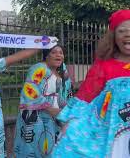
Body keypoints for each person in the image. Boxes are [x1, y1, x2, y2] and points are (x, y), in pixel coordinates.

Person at [51, 9, 130, 157]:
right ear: (113, 36)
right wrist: (71, 120)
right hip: (113, 132)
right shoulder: (105, 65)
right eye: (121, 31)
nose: (127, 34)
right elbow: (87, 93)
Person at [13, 45, 72, 157]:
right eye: (54, 52)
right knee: (35, 150)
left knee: (51, 149)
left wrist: (66, 109)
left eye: (61, 53)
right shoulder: (39, 68)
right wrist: (50, 109)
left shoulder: (60, 72)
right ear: (46, 55)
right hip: (37, 119)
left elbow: (61, 95)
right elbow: (30, 90)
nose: (58, 55)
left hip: (54, 118)